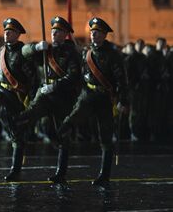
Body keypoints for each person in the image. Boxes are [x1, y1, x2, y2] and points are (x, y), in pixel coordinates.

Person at [57, 17, 128, 187]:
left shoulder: (113, 55)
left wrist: (122, 100)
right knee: (68, 124)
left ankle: (104, 175)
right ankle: (60, 170)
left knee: (105, 138)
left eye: (97, 33)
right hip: (87, 96)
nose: (93, 35)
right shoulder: (86, 52)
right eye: (92, 33)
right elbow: (80, 71)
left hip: (104, 99)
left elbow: (121, 80)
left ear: (104, 35)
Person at [16, 16, 81, 183]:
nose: (54, 33)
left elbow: (74, 76)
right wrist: (36, 47)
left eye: (58, 31)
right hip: (44, 94)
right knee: (31, 115)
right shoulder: (46, 50)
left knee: (61, 133)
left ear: (66, 34)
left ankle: (61, 172)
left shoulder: (71, 52)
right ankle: (15, 128)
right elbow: (23, 53)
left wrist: (55, 86)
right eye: (53, 31)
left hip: (63, 96)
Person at [0, 18, 37, 181]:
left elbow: (32, 78)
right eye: (5, 31)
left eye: (10, 32)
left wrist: (30, 99)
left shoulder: (22, 52)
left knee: (16, 132)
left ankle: (15, 169)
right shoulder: (2, 51)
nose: (6, 34)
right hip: (1, 89)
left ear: (17, 34)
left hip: (16, 95)